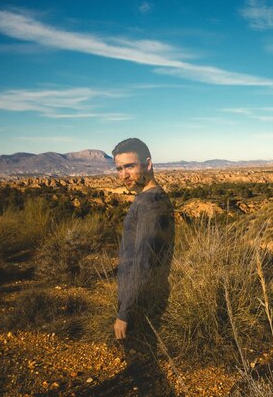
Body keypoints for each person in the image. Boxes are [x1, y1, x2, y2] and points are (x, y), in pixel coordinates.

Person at [112, 138, 175, 396]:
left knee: (145, 376)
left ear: (147, 164)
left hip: (141, 302)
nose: (124, 174)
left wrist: (125, 312)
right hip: (142, 297)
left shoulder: (150, 204)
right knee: (147, 372)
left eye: (130, 166)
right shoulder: (148, 199)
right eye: (119, 169)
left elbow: (144, 263)